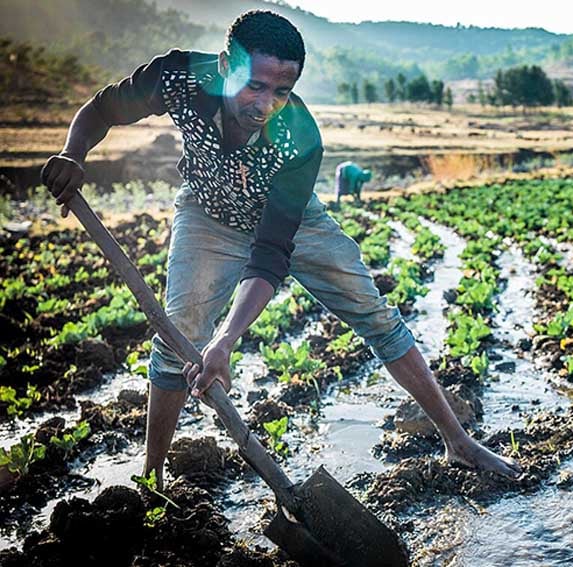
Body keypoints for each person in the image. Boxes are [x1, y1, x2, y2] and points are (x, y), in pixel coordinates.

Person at [40, 10, 520, 488]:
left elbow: (270, 252)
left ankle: (458, 441)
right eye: (254, 85)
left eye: (281, 91)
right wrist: (72, 154)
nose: (264, 104)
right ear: (227, 64)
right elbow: (101, 110)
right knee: (177, 335)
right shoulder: (179, 76)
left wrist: (225, 341)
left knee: (375, 315)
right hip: (208, 214)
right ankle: (153, 474)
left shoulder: (299, 136)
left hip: (292, 221)